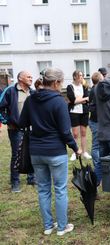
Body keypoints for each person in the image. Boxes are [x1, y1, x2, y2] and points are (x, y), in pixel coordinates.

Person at [18, 67, 82, 236]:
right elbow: (65, 131)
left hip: (36, 152)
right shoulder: (59, 102)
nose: (61, 86)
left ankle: (48, 226)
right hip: (55, 152)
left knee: (44, 189)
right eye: (61, 83)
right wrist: (76, 148)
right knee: (60, 189)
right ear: (55, 83)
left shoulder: (31, 100)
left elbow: (22, 122)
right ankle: (61, 227)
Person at [0, 71, 35, 192]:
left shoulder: (32, 92)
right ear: (20, 78)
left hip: (30, 129)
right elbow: (1, 107)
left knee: (31, 153)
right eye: (28, 76)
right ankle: (15, 182)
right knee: (17, 155)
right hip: (15, 129)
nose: (31, 78)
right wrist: (7, 121)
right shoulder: (11, 91)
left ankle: (31, 177)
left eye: (31, 76)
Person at [67, 70, 91, 161]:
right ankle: (75, 152)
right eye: (80, 75)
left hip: (84, 112)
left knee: (84, 133)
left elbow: (88, 99)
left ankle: (84, 152)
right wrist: (82, 99)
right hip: (74, 112)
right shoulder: (70, 87)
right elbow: (72, 100)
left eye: (82, 75)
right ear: (75, 77)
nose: (81, 77)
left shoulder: (84, 87)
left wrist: (78, 99)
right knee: (76, 134)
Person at [89, 72, 104, 186]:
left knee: (98, 145)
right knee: (96, 146)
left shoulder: (93, 89)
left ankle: (99, 167)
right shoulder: (97, 90)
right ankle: (98, 167)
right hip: (96, 121)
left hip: (95, 121)